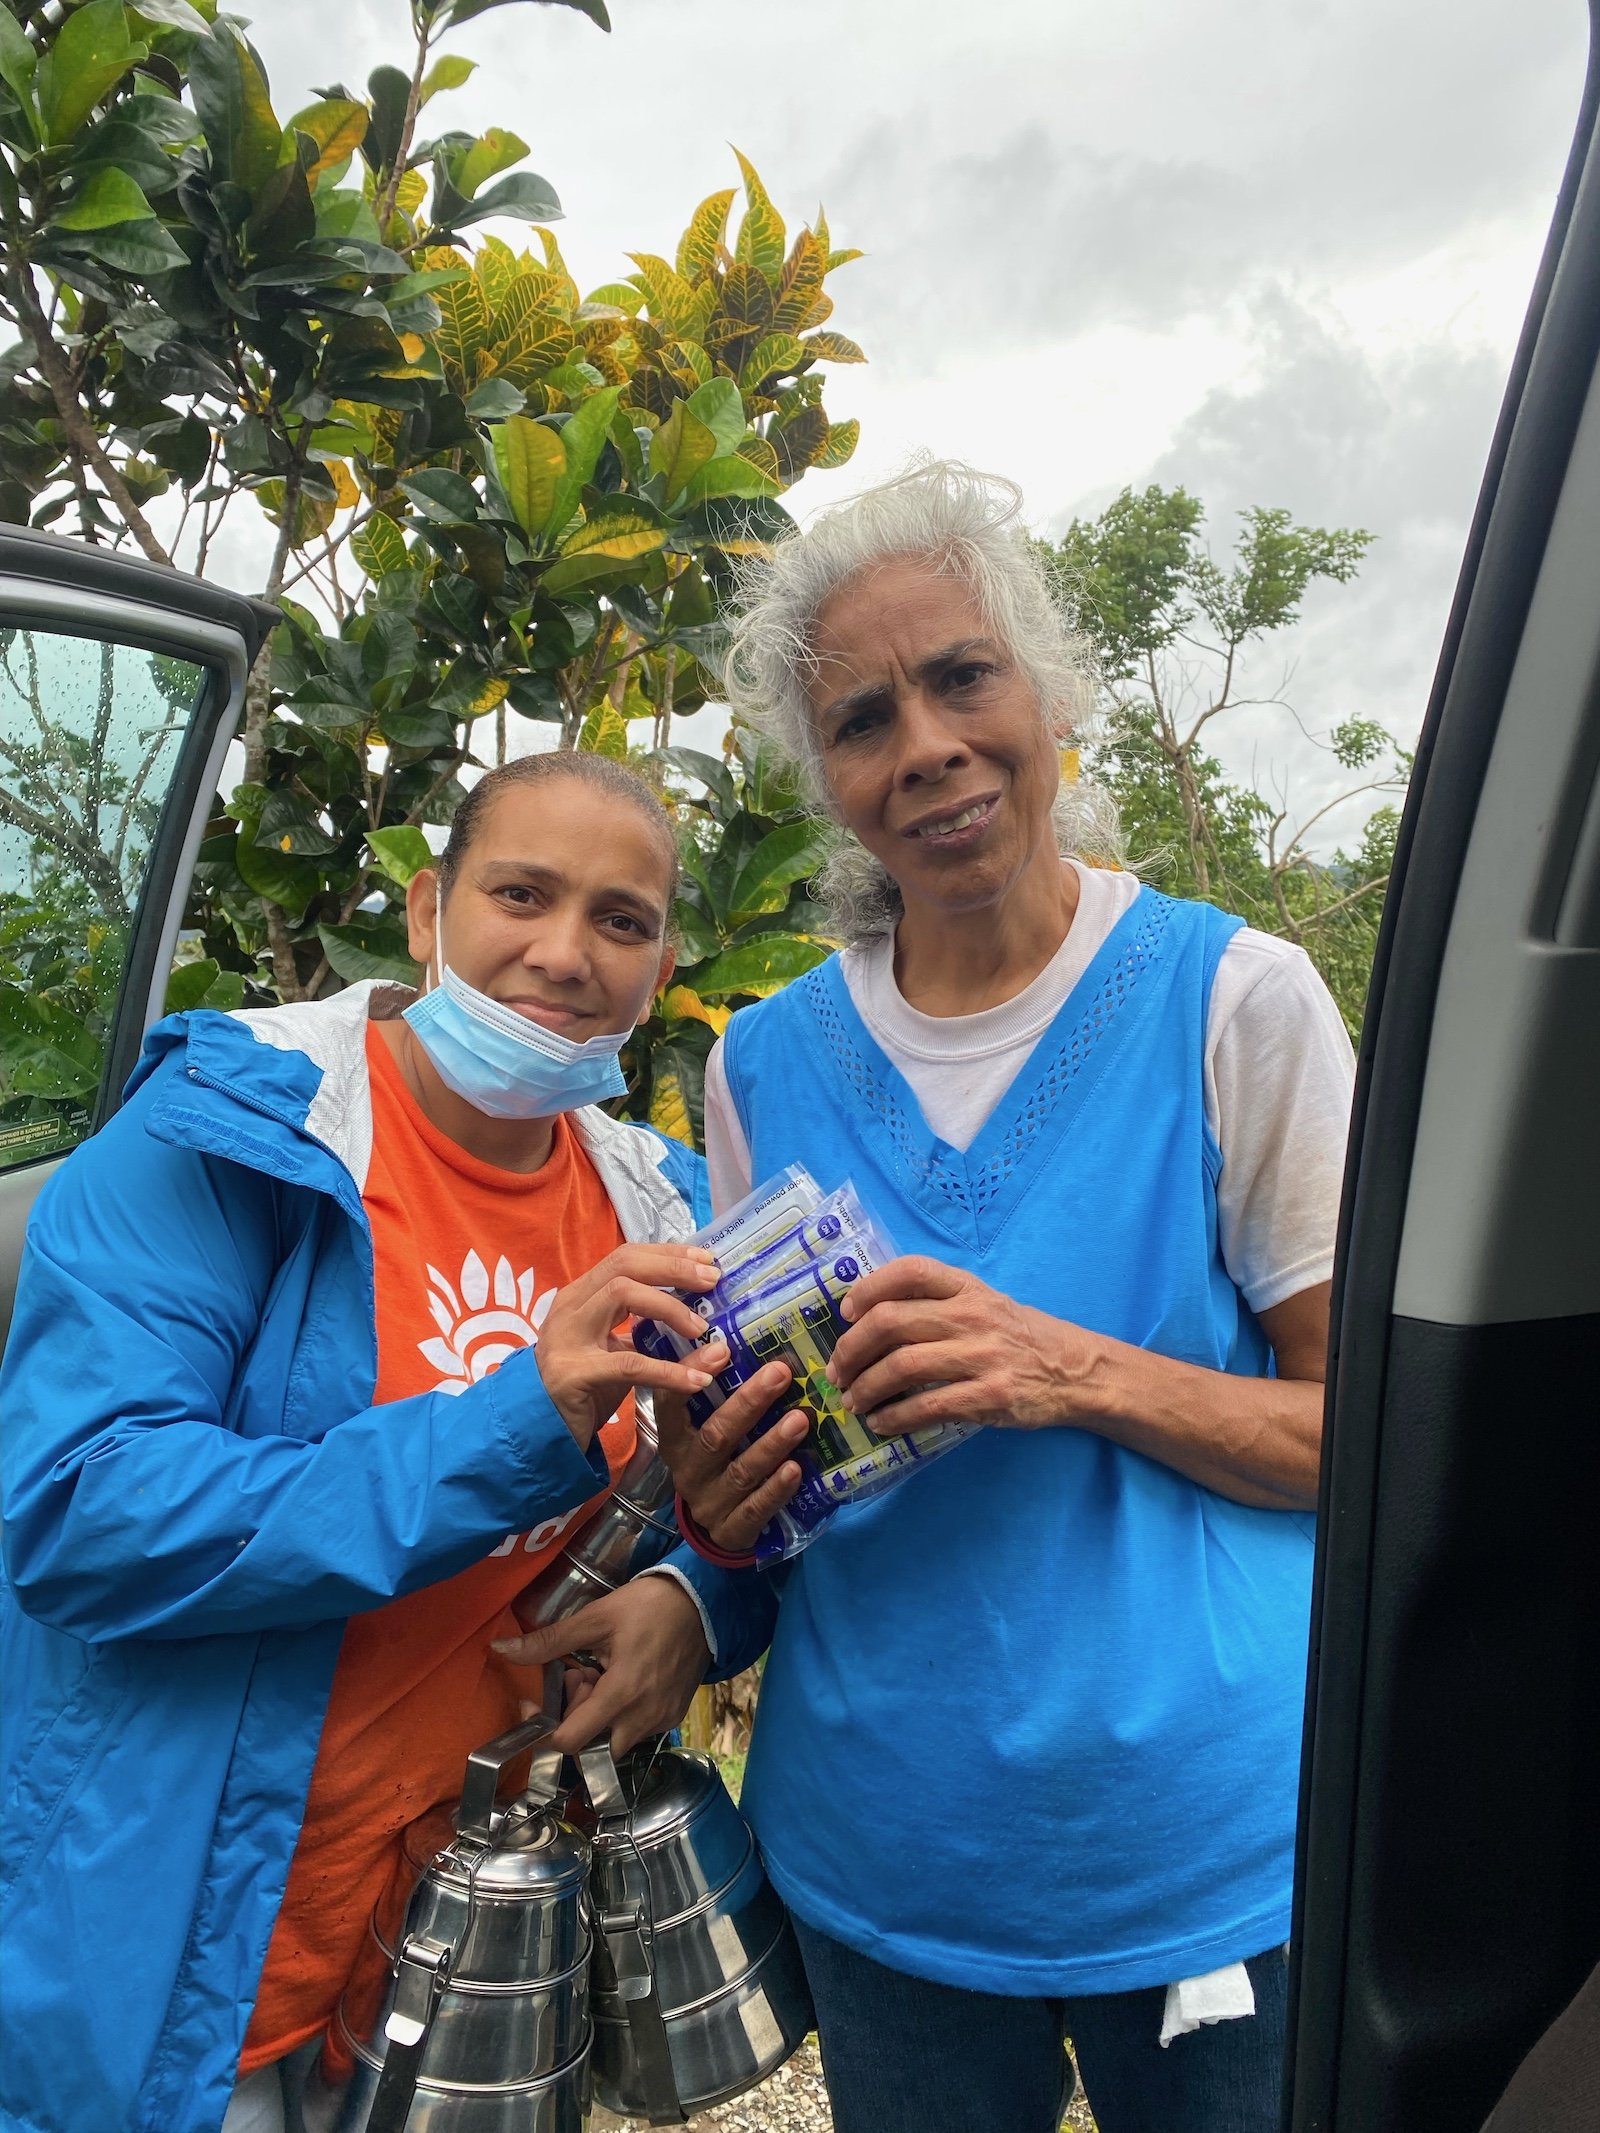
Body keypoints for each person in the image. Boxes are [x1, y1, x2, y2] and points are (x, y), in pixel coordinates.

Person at [538, 461, 1356, 2133]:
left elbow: (1372, 1438)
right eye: (860, 718)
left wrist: (1071, 1369)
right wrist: (700, 1560)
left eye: (963, 676)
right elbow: (779, 1472)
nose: (925, 745)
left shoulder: (1235, 1002)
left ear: (1049, 693)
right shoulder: (761, 1061)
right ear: (824, 776)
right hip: (887, 1858)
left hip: (1203, 1847)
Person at [0, 752, 725, 2133]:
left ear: (663, 959)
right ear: (425, 909)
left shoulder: (654, 1204)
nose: (565, 953)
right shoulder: (236, 1136)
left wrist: (694, 1599)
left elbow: (716, 1502)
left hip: (461, 1973)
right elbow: (82, 1509)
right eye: (522, 893)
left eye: (621, 921)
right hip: (190, 1956)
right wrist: (524, 1415)